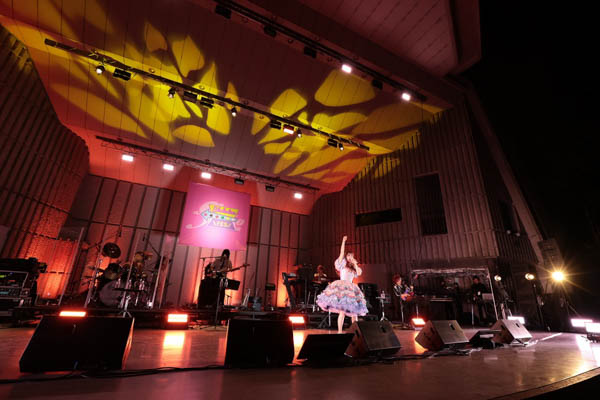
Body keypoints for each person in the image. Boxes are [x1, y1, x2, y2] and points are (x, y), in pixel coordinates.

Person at [317, 236, 368, 333]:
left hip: (351, 288)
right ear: (346, 256)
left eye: (351, 256)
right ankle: (339, 331)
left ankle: (355, 332)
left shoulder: (354, 267)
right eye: (348, 255)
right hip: (342, 287)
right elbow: (341, 252)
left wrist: (355, 264)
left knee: (354, 313)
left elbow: (359, 272)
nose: (350, 257)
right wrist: (343, 241)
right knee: (342, 311)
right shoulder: (342, 264)